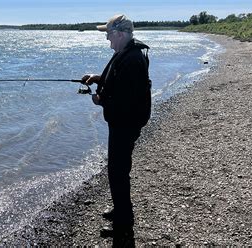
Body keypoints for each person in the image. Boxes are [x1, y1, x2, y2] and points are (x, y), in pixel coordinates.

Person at [82, 14, 151, 246]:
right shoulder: (127, 54)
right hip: (124, 122)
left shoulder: (132, 60)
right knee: (118, 171)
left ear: (120, 34)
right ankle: (121, 210)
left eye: (109, 34)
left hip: (125, 123)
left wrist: (100, 100)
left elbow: (125, 101)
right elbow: (118, 81)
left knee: (117, 172)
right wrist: (97, 78)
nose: (107, 39)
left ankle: (123, 224)